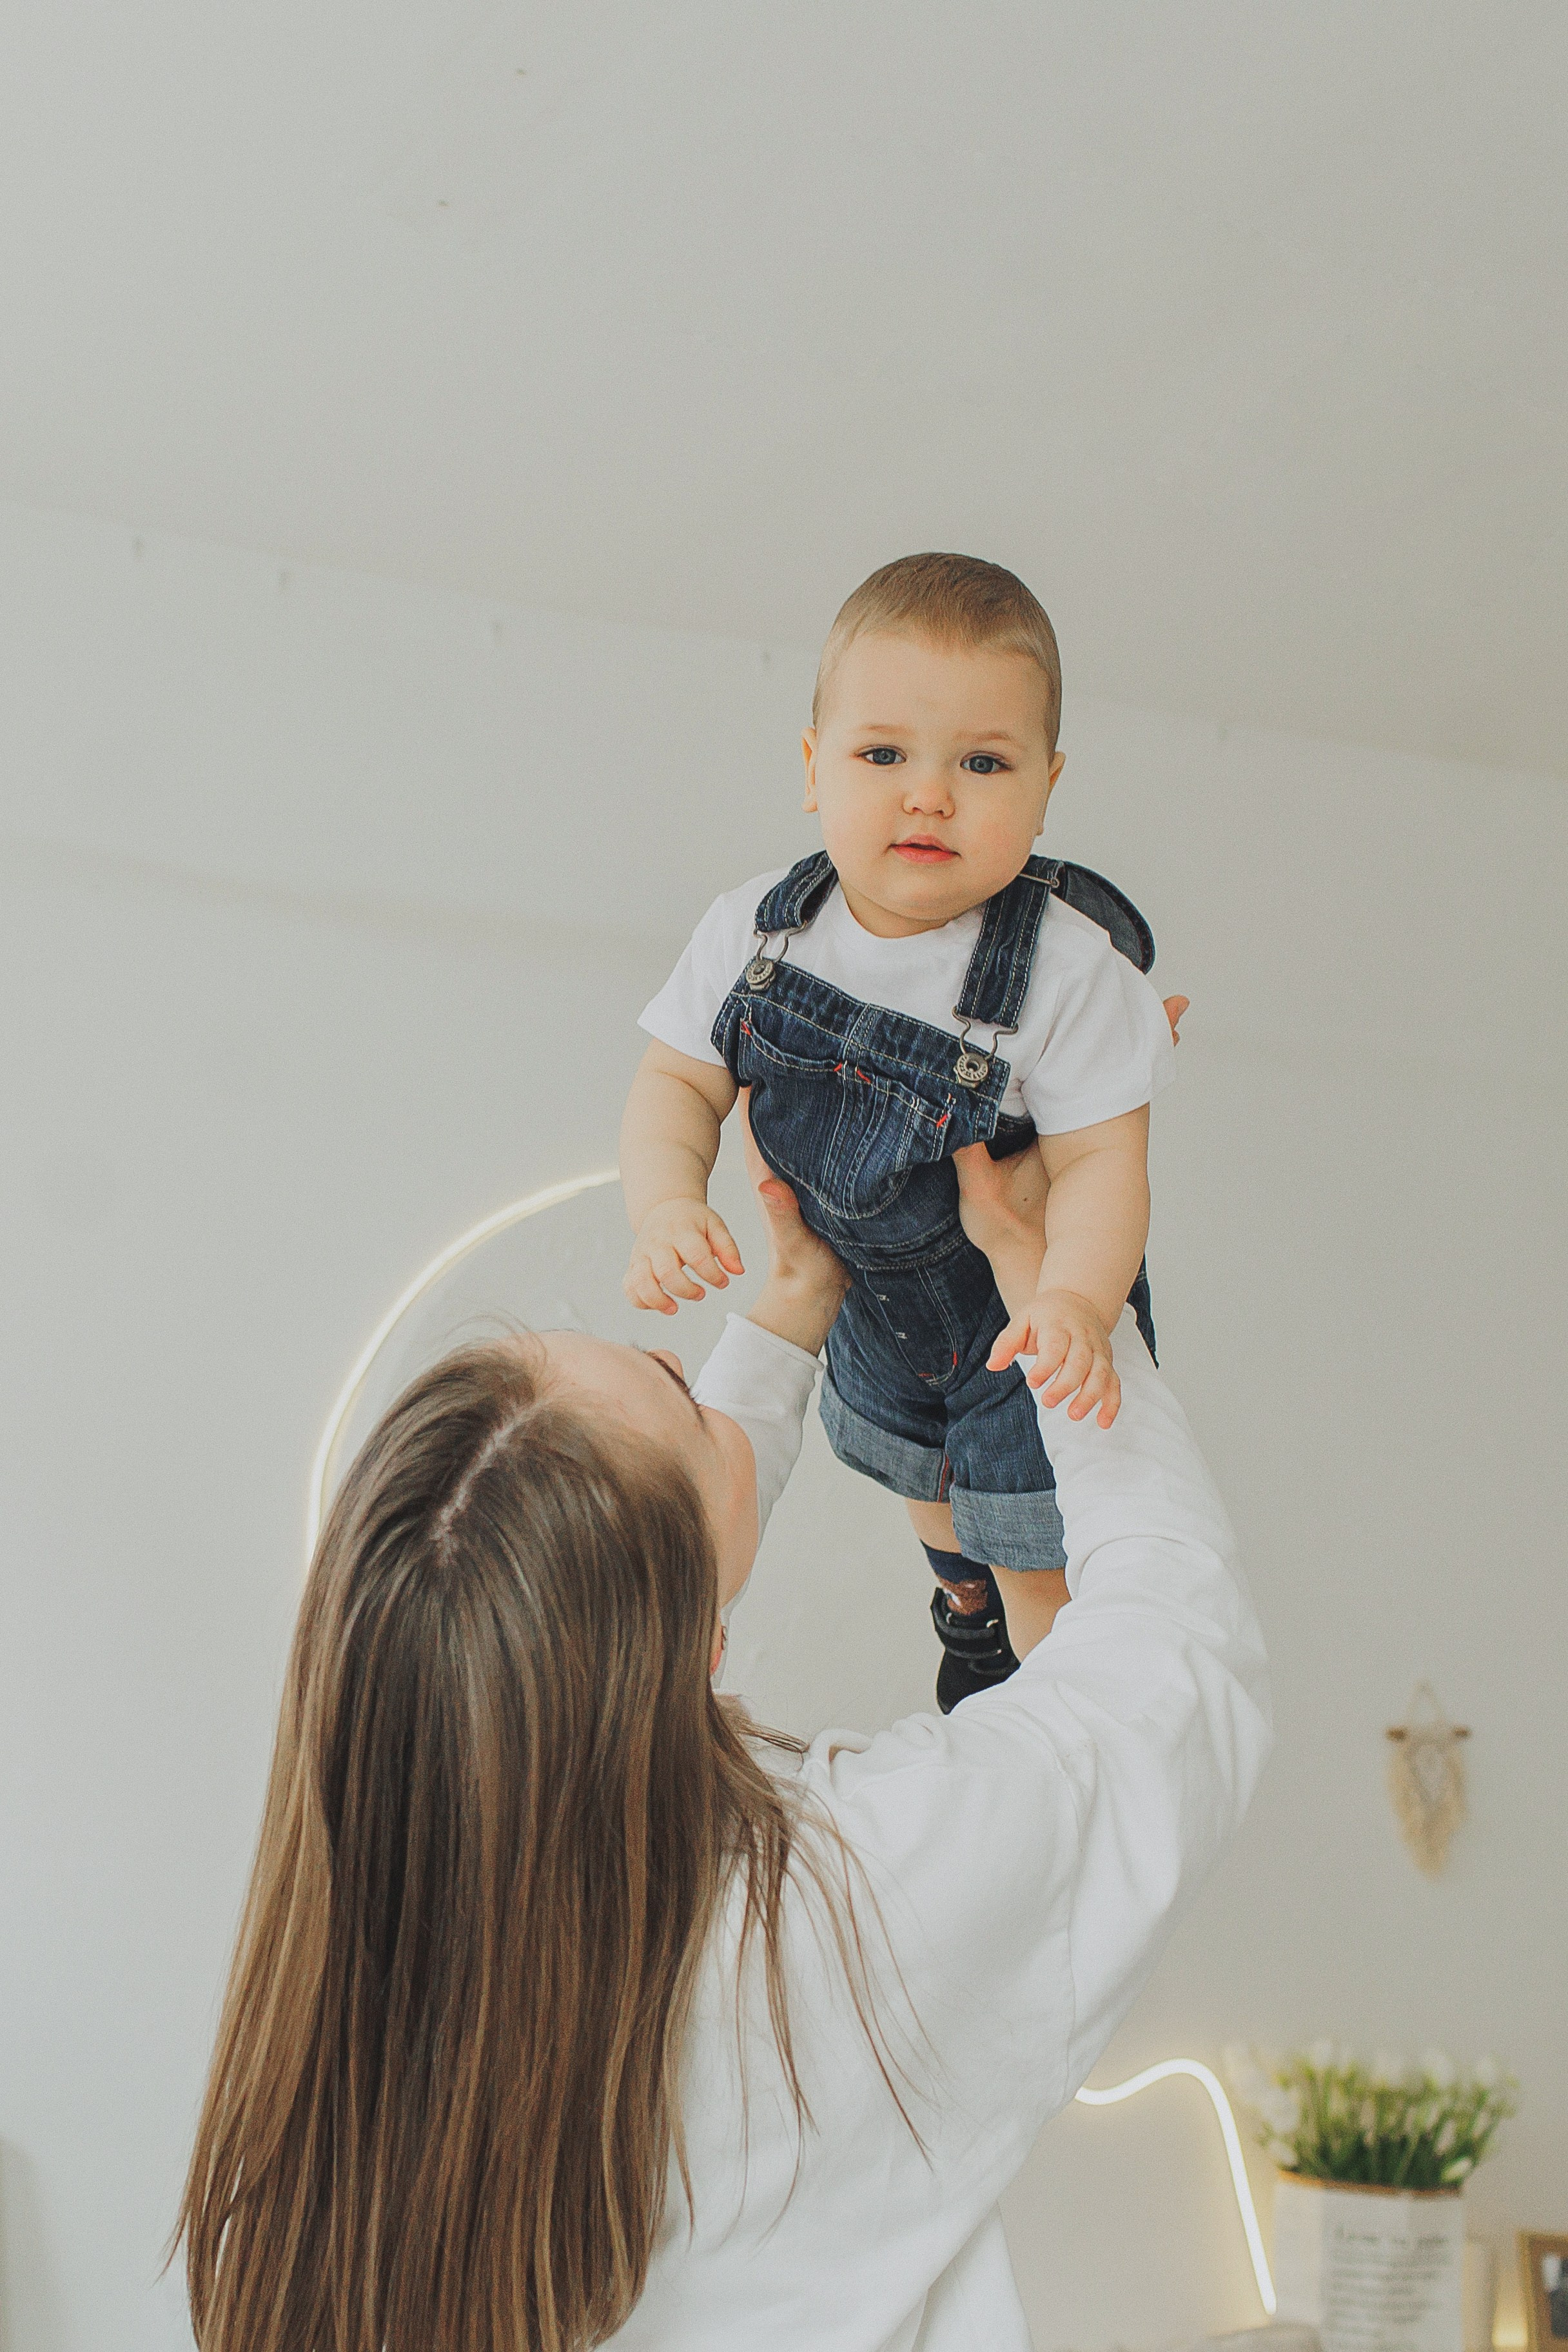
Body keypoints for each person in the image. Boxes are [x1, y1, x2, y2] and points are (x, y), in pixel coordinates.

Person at [178, 1134, 1269, 2352]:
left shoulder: (359, 1981)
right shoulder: (842, 1908)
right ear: (689, 1645)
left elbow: (604, 1613)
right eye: (691, 1404)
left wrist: (795, 1305)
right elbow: (1177, 1664)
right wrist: (1059, 1288)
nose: (694, 1373)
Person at [620, 551, 1183, 1709]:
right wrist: (668, 1199)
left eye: (983, 763)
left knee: (1030, 1541)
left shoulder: (1067, 973)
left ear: (1047, 787)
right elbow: (677, 1085)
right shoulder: (759, 934)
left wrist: (1076, 1298)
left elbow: (1099, 1168)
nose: (930, 794)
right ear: (814, 767)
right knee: (918, 1472)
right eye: (885, 756)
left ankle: (1043, 1710)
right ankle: (961, 1608)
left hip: (1019, 1324)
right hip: (869, 1303)